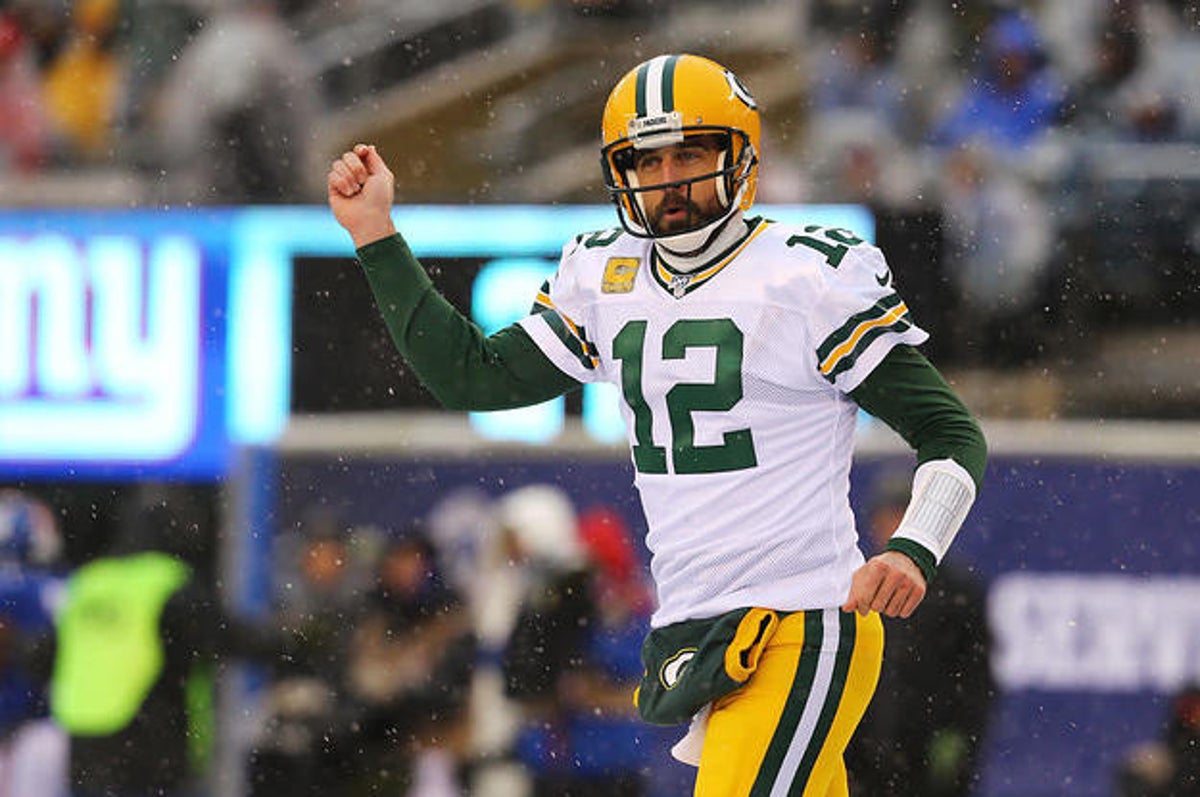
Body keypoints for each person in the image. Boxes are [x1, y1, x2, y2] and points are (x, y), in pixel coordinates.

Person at [327, 52, 987, 796]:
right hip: (699, 631)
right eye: (648, 159)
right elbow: (471, 374)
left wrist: (914, 547)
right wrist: (376, 234)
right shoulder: (604, 274)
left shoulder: (807, 275)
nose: (668, 178)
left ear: (738, 155)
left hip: (800, 621)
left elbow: (952, 432)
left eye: (689, 153)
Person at [50, 494, 293, 797]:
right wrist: (289, 640)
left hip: (83, 740)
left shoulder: (89, 582)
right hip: (149, 740)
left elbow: (45, 654)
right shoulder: (167, 582)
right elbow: (226, 637)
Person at [845, 471, 994, 796]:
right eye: (886, 517)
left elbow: (977, 677)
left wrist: (958, 739)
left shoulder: (958, 590)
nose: (892, 526)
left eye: (903, 516)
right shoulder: (858, 586)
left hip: (927, 752)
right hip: (866, 752)